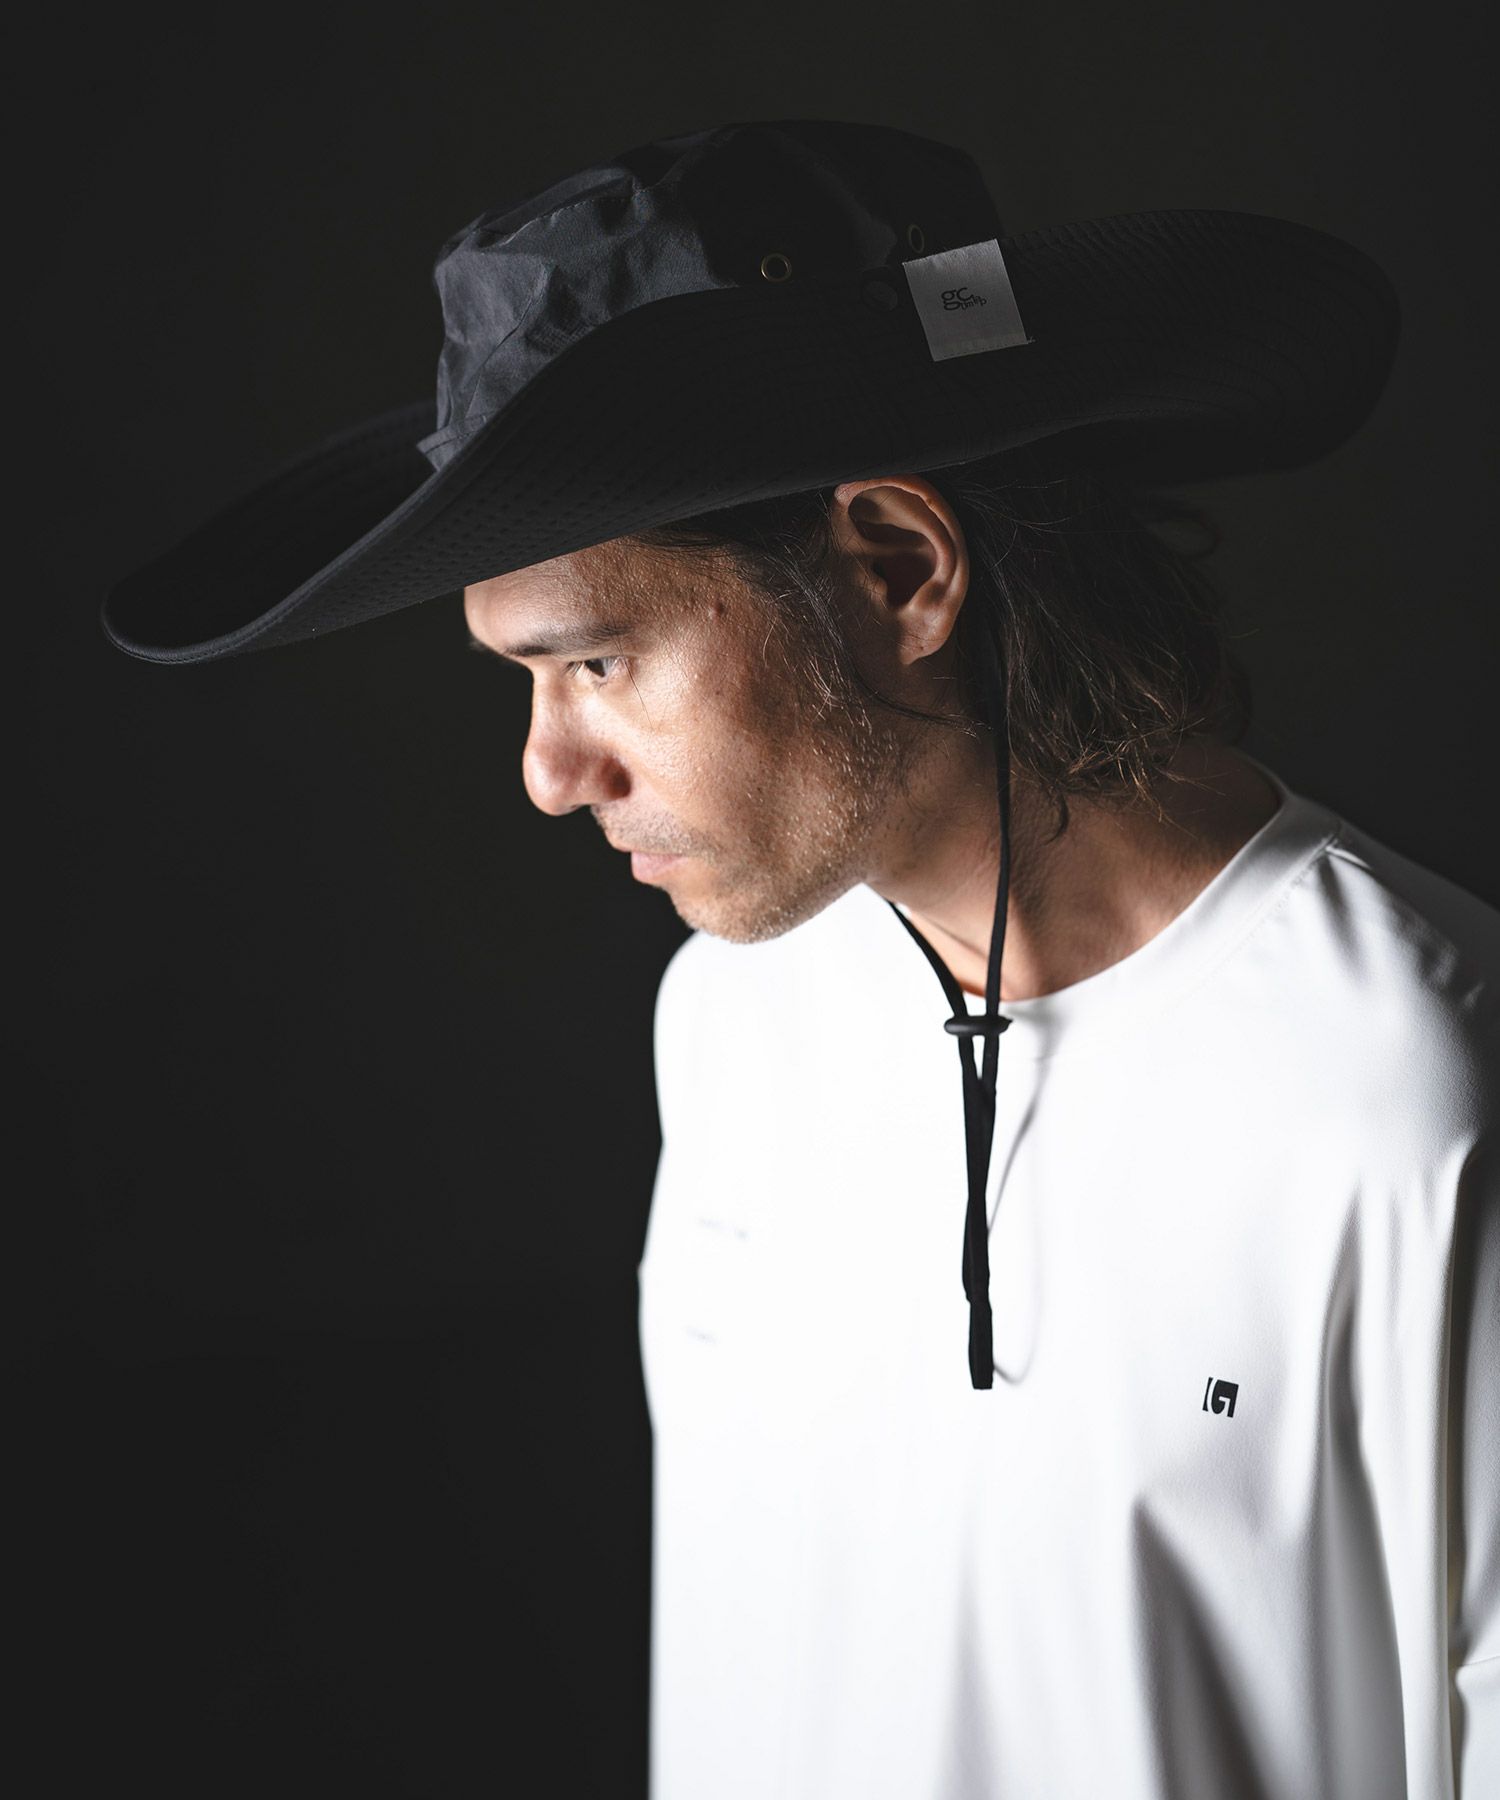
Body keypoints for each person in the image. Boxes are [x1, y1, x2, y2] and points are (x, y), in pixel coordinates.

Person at [101, 119, 1497, 1797]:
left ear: (899, 568)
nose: (549, 772)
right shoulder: (733, 1017)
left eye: (599, 661)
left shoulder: (1406, 1091)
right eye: (527, 680)